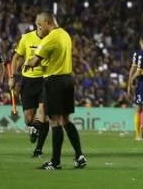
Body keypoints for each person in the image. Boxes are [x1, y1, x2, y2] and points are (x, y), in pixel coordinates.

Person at [23, 12, 86, 170]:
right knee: (65, 119)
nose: (39, 28)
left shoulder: (50, 38)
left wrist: (26, 64)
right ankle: (79, 156)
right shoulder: (65, 35)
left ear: (46, 22)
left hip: (54, 81)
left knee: (54, 121)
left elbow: (35, 61)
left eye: (39, 25)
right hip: (67, 79)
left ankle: (55, 162)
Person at [10, 24, 48, 158]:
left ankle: (38, 149)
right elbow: (16, 57)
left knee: (43, 115)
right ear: (39, 25)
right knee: (29, 119)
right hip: (28, 81)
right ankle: (35, 128)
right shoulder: (26, 38)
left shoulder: (51, 39)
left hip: (45, 80)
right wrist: (12, 77)